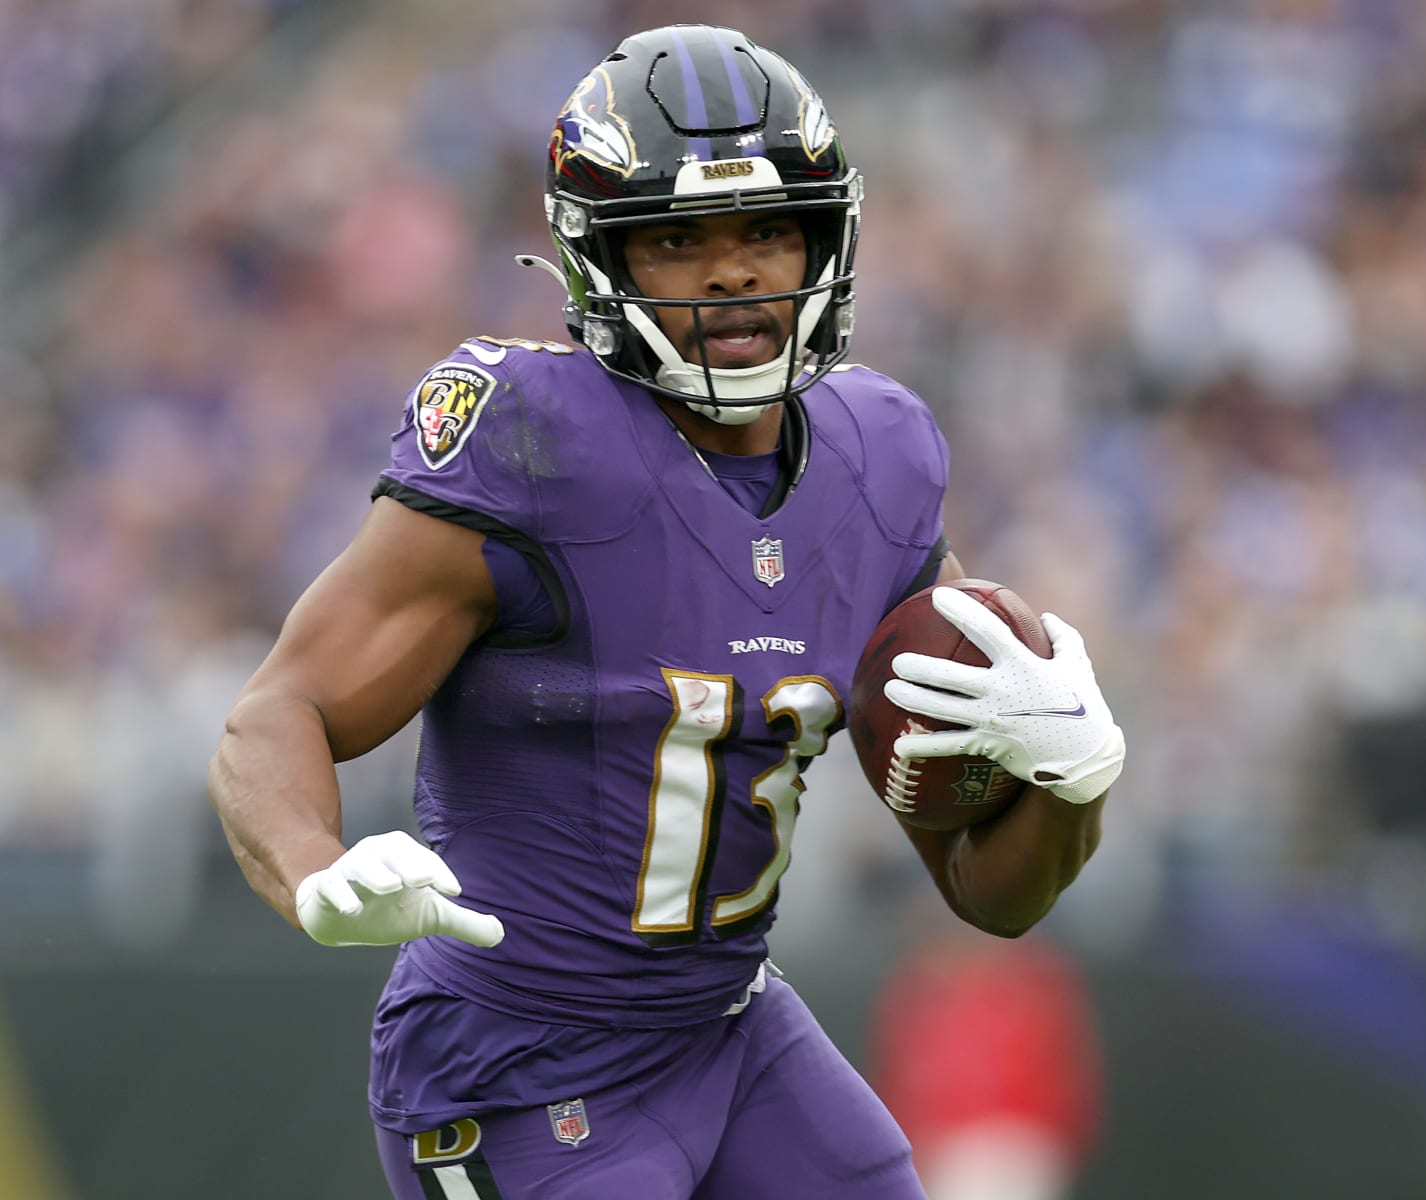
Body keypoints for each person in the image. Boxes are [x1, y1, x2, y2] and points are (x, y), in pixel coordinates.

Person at [206, 23, 1127, 1200]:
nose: (736, 271)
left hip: (732, 1031)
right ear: (601, 260)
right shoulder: (532, 441)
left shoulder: (881, 459)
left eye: (767, 226)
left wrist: (1072, 776)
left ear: (827, 235)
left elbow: (989, 894)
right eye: (678, 238)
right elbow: (280, 707)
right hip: (520, 1058)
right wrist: (312, 866)